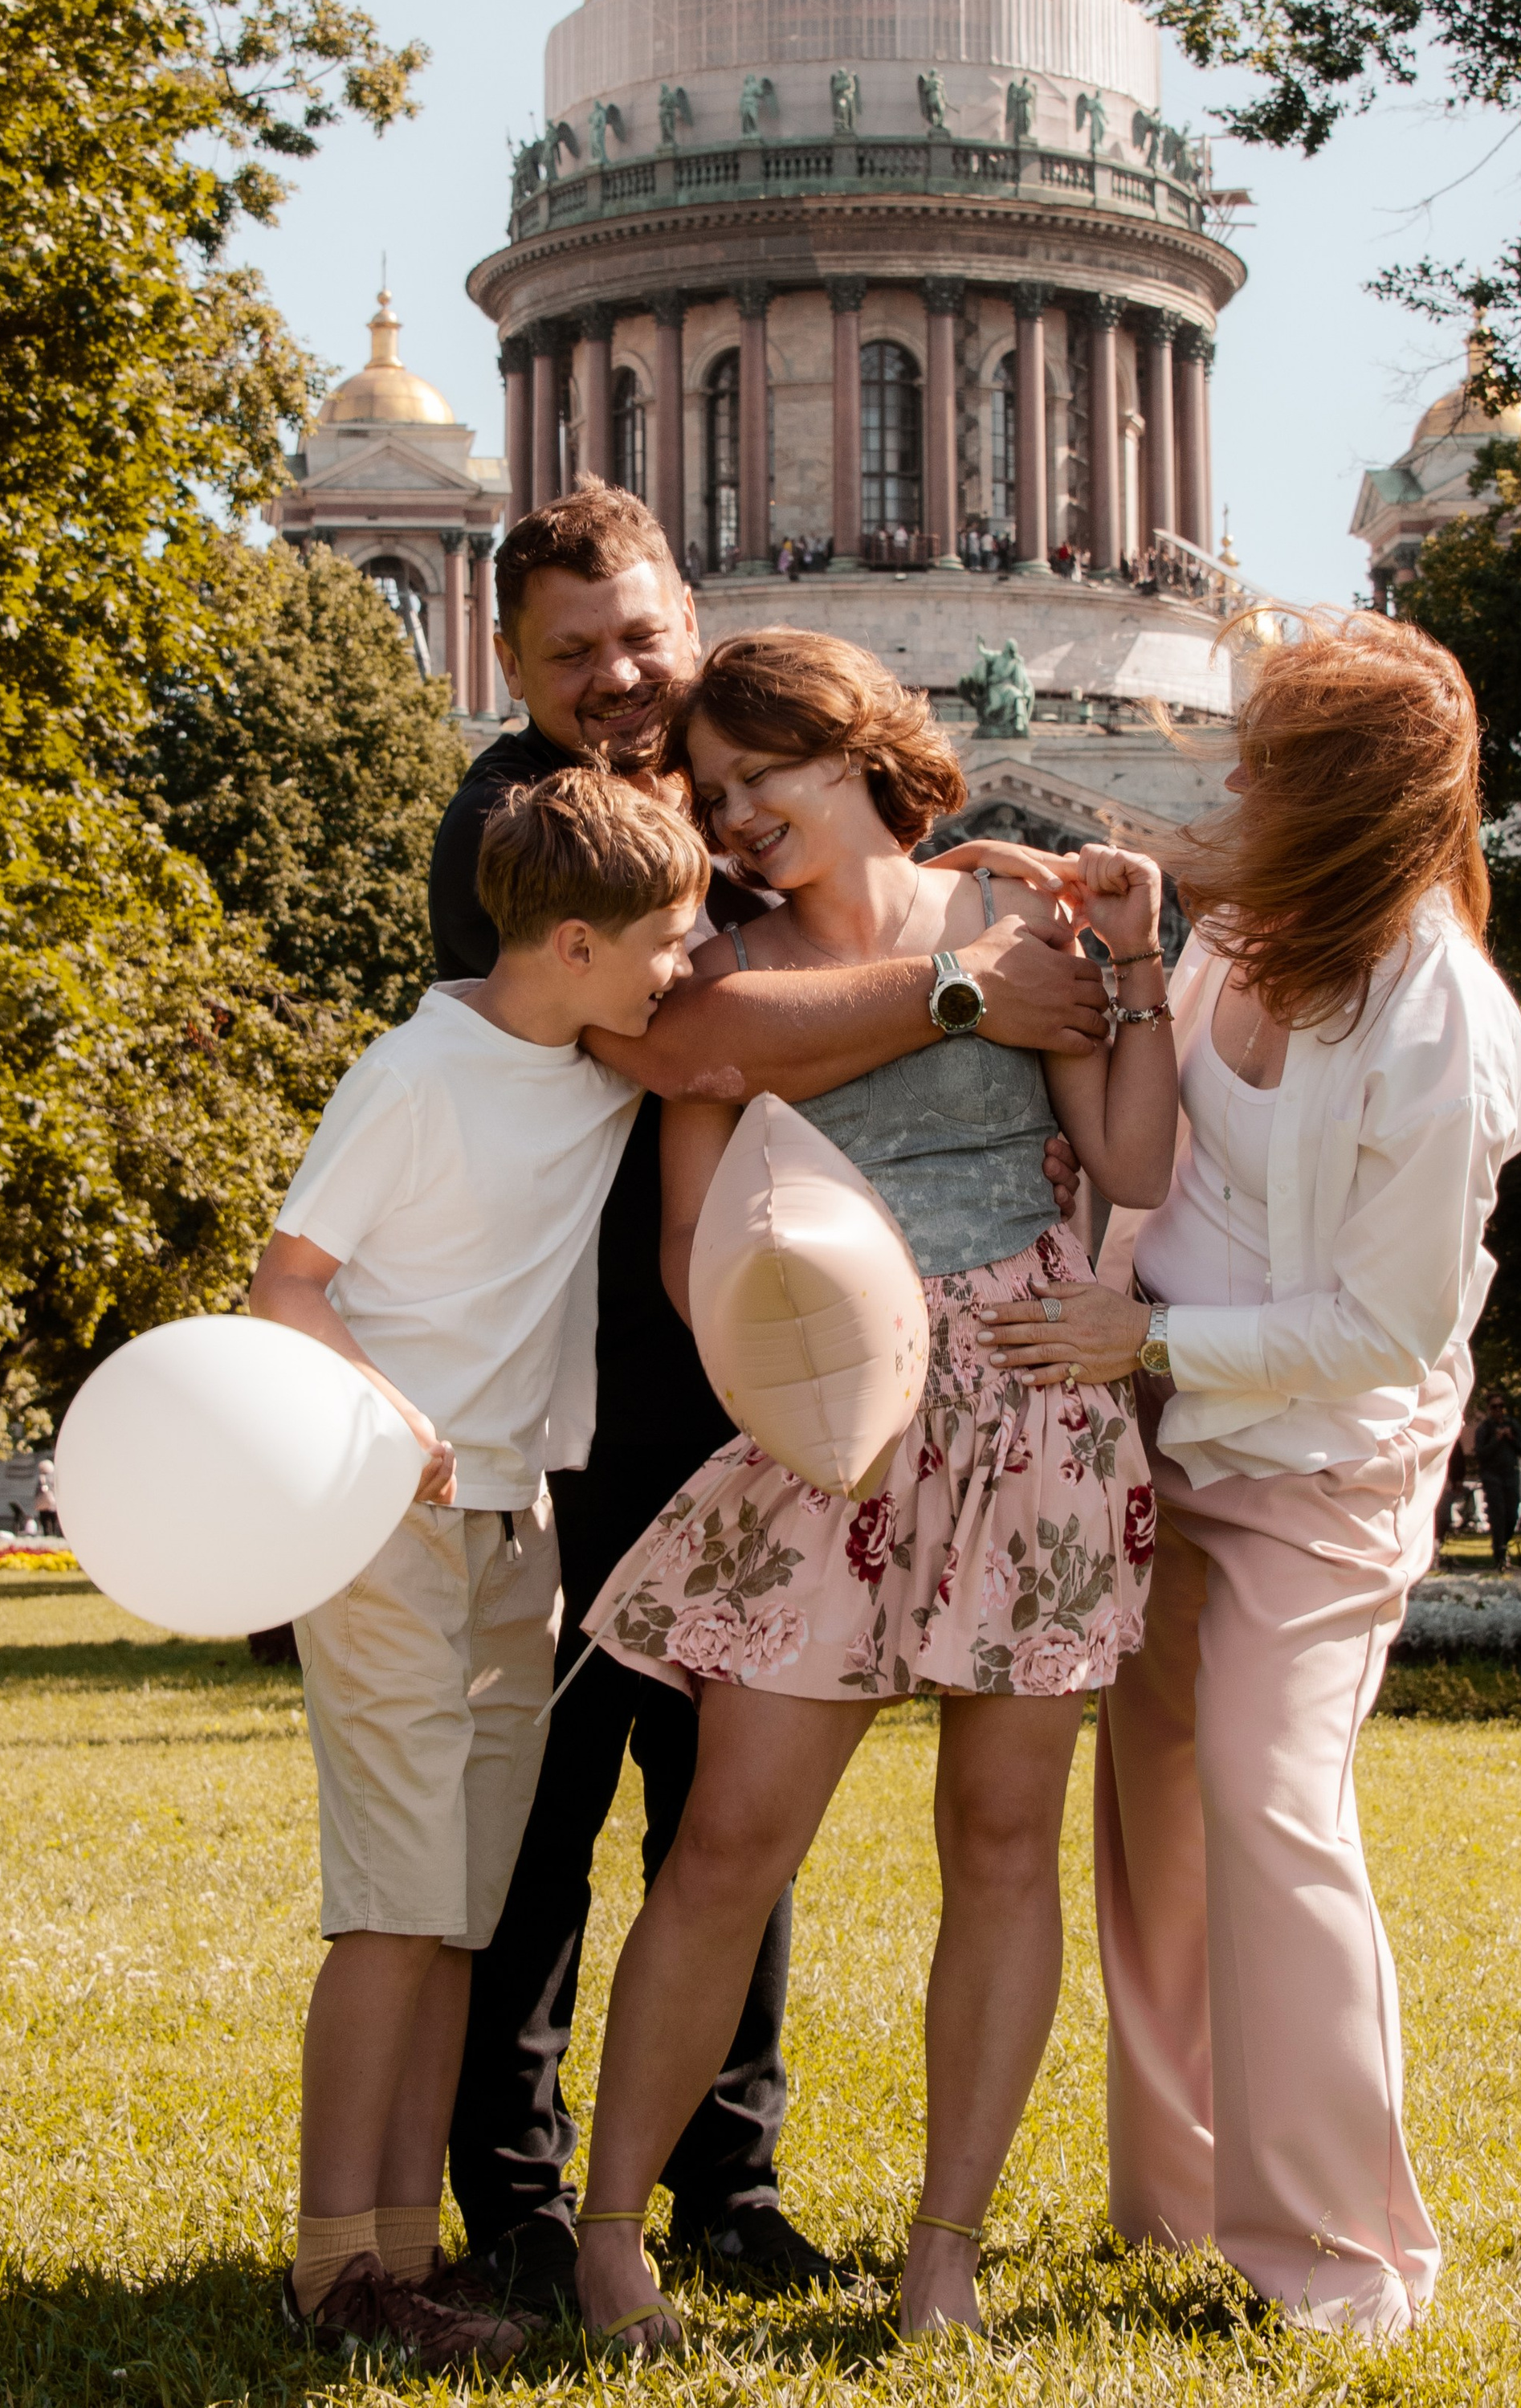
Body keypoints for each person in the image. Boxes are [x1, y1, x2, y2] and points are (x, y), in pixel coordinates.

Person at [434, 488, 1109, 2316]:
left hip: (921, 1412)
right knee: (623, 1813)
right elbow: (686, 1047)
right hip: (699, 1400)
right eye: (571, 652)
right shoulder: (547, 834)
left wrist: (1098, 961)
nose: (621, 681)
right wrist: (973, 985)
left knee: (841, 1828)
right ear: (509, 662)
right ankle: (541, 2209)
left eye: (641, 637)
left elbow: (1119, 1137)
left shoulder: (934, 876)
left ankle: (776, 2199)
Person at [572, 631, 1177, 2348]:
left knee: (1001, 1846)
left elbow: (1128, 1163)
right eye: (715, 797)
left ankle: (942, 2261)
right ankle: (613, 2239)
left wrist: (1128, 963)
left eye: (766, 778)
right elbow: (693, 1248)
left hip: (1036, 1415)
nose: (740, 818)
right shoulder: (723, 979)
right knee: (726, 1846)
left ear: (858, 750)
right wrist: (820, 1361)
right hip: (825, 1427)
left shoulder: (1020, 920)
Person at [985, 614, 1521, 2341]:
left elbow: (1387, 1327)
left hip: (1317, 1460)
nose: (1233, 781)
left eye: (1273, 761)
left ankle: (1339, 2261)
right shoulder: (1240, 932)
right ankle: (1170, 2205)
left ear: (1356, 795)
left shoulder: (1440, 1017)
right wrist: (1139, 959)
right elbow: (1172, 1154)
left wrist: (1139, 1347)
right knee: (1151, 1816)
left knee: (1264, 1799)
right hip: (1151, 1421)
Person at [248, 769, 707, 2371]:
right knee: (391, 1908)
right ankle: (331, 2275)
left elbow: (725, 1038)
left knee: (459, 1910)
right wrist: (397, 1420)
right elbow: (284, 1286)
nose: (680, 969)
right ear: (571, 943)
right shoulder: (416, 1075)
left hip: (520, 1531)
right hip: (381, 1519)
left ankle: (400, 2255)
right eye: (661, 941)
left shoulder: (588, 1062)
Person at [1470, 1391, 1521, 1568]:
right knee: (1498, 1514)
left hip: (1510, 1475)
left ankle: (1503, 1544)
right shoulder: (1485, 1428)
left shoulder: (1512, 1425)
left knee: (1512, 1513)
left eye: (1501, 1406)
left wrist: (1511, 1438)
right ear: (1489, 1409)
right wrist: (1496, 1440)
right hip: (1492, 1476)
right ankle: (1500, 1553)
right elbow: (1480, 1454)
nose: (1498, 1410)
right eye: (1494, 1407)